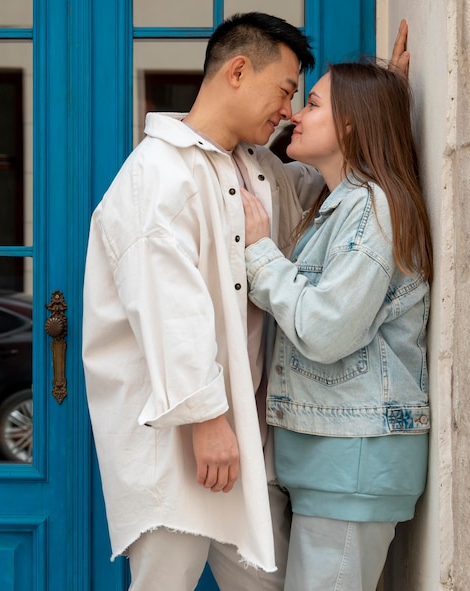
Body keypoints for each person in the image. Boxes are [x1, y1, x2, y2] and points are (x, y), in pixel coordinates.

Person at [82, 9, 411, 590]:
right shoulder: (156, 175)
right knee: (166, 581)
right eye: (286, 91)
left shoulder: (260, 168)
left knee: (268, 583)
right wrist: (207, 419)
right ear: (238, 71)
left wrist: (381, 108)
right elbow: (169, 309)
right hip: (179, 438)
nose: (288, 111)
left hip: (253, 444)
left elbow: (336, 184)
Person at [241, 59, 432, 591]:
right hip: (332, 457)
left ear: (350, 123)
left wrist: (261, 255)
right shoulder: (339, 202)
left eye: (314, 104)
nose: (296, 115)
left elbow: (326, 329)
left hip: (353, 461)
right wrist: (383, 88)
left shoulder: (374, 209)